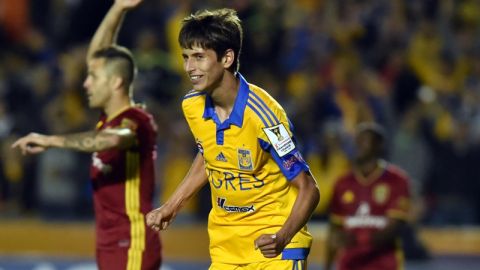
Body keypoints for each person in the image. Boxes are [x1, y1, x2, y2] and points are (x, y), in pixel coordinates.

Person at [145, 8, 320, 270]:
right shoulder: (192, 106)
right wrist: (170, 206)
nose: (189, 68)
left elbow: (308, 188)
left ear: (227, 58)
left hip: (274, 247)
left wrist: (282, 238)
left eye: (199, 57)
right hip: (227, 249)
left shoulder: (265, 116)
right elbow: (210, 156)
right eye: (186, 57)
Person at [11, 0, 162, 269]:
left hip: (133, 245)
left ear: (115, 82)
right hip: (110, 244)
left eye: (93, 77)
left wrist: (51, 140)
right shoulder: (109, 118)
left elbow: (111, 140)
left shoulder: (137, 121)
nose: (85, 83)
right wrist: (117, 9)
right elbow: (97, 56)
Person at [324, 122, 411, 270]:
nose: (358, 145)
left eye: (364, 140)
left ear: (378, 145)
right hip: (349, 264)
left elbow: (393, 229)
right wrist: (326, 266)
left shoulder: (397, 180)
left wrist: (357, 239)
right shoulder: (342, 183)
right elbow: (334, 231)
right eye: (357, 140)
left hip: (384, 264)